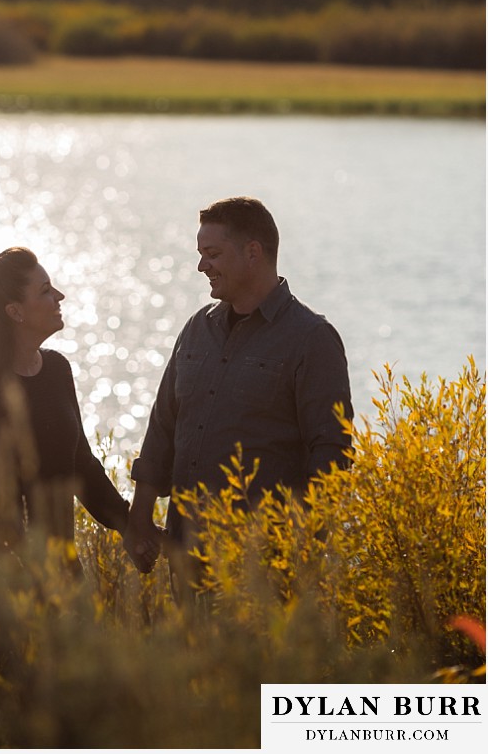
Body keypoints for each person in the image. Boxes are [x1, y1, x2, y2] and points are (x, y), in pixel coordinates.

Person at [124, 196, 352, 572]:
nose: (201, 265)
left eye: (212, 253)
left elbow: (331, 454)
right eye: (200, 254)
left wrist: (302, 549)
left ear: (252, 252)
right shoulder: (197, 329)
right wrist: (140, 515)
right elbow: (162, 427)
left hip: (263, 567)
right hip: (186, 557)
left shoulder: (311, 339)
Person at [0, 246, 130, 568]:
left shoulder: (56, 370)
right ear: (15, 312)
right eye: (45, 291)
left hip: (64, 579)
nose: (59, 296)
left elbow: (80, 463)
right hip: (8, 589)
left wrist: (131, 525)